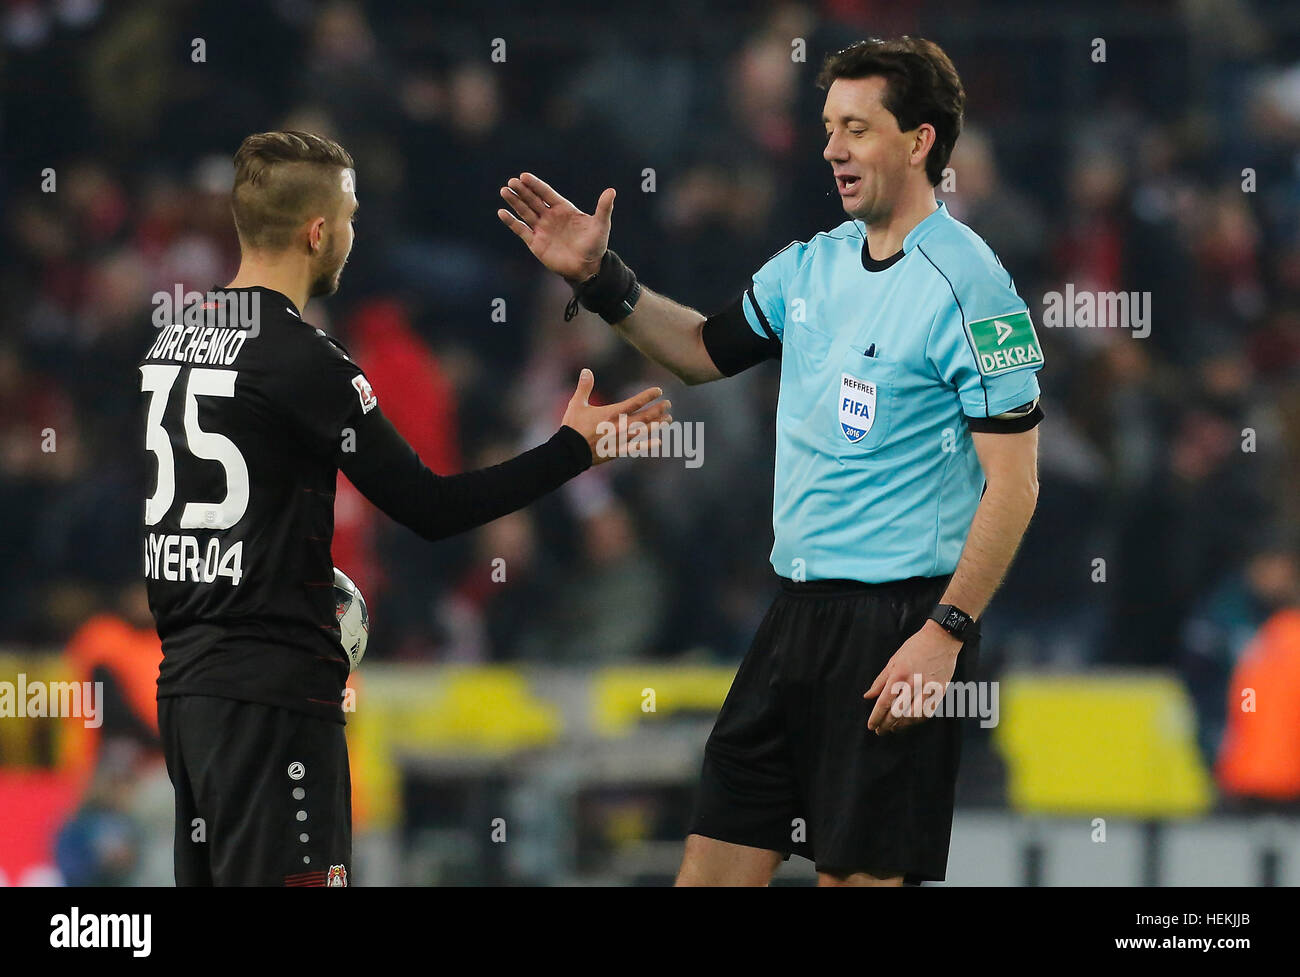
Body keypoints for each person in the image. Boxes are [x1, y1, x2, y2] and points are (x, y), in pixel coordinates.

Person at [499, 37, 1043, 886]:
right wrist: (603, 278)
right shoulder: (812, 264)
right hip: (792, 619)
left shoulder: (974, 288)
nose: (831, 148)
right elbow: (701, 349)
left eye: (857, 128)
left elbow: (1015, 483)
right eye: (829, 127)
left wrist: (946, 633)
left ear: (920, 142)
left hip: (899, 625)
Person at [138, 130, 669, 886]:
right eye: (349, 217)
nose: (353, 237)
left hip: (188, 690)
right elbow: (430, 505)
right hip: (276, 699)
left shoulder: (176, 338)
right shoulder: (306, 360)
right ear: (317, 231)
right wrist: (571, 451)